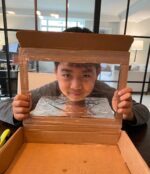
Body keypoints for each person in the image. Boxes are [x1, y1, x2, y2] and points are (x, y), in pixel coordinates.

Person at [0, 27, 149, 128]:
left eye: (85, 75)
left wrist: (129, 114)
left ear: (97, 72)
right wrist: (15, 112)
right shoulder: (48, 91)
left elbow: (143, 110)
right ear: (56, 72)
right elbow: (3, 105)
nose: (76, 86)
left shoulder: (106, 93)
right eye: (66, 74)